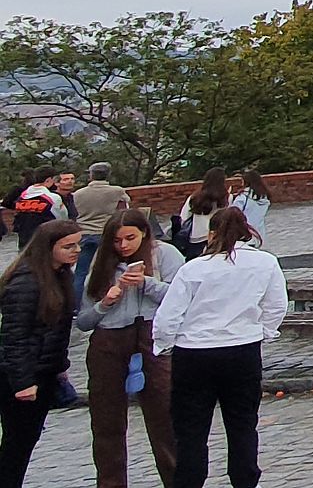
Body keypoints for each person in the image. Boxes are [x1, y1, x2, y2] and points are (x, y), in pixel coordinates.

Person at [152, 208, 284, 488]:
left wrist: (164, 344)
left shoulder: (194, 268)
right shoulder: (265, 263)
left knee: (190, 429)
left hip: (194, 352)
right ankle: (245, 480)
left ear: (211, 233)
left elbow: (168, 315)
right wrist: (262, 332)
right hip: (242, 349)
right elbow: (276, 306)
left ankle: (189, 481)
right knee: (242, 423)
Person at [78, 208, 183, 488]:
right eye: (116, 240)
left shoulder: (165, 254)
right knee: (106, 421)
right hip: (109, 340)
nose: (123, 245)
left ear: (144, 234)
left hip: (152, 336)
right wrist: (105, 303)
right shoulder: (102, 264)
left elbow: (183, 297)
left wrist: (147, 284)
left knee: (164, 415)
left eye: (129, 238)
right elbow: (84, 320)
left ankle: (178, 479)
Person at [0, 220, 77, 486]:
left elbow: (57, 330)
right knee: (17, 444)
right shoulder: (27, 282)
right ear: (48, 247)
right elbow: (14, 336)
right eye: (68, 246)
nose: (75, 250)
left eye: (76, 244)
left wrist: (60, 364)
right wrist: (23, 382)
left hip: (44, 370)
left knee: (24, 441)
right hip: (23, 376)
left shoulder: (59, 276)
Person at [72, 166, 130, 291]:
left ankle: (76, 304)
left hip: (84, 233)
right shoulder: (116, 191)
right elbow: (126, 204)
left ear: (91, 175)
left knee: (81, 272)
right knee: (108, 269)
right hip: (105, 233)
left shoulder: (78, 193)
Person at [178, 169, 228, 262]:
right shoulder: (226, 198)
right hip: (216, 236)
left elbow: (184, 217)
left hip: (196, 236)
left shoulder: (194, 197)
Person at [226, 171, 270, 243]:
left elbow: (232, 213)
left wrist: (229, 198)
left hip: (244, 233)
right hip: (259, 232)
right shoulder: (264, 197)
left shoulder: (242, 197)